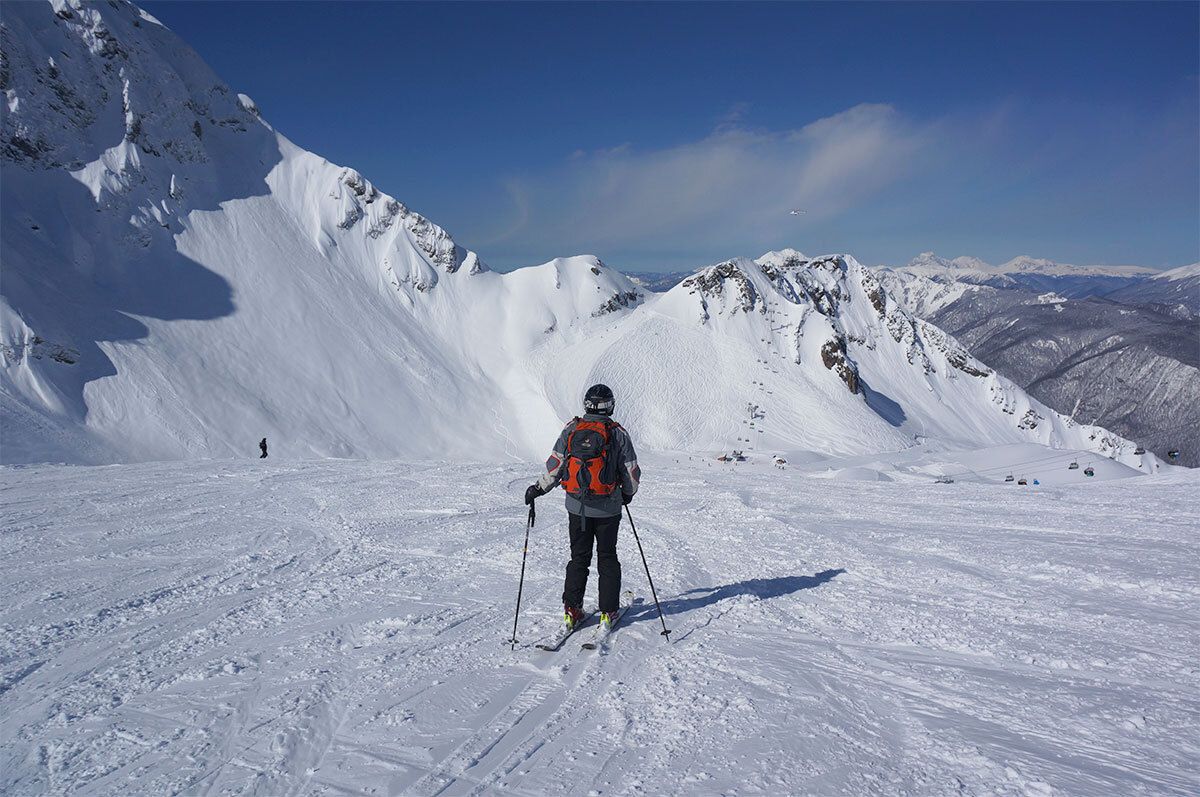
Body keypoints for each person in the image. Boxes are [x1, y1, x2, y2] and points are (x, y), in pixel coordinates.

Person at [525, 384, 640, 632]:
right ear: (610, 405)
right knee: (607, 557)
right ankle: (608, 611)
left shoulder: (572, 429)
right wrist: (627, 495)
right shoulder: (618, 433)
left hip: (576, 507)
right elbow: (631, 471)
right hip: (608, 508)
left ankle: (572, 609)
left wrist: (538, 488)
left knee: (579, 558)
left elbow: (556, 465)